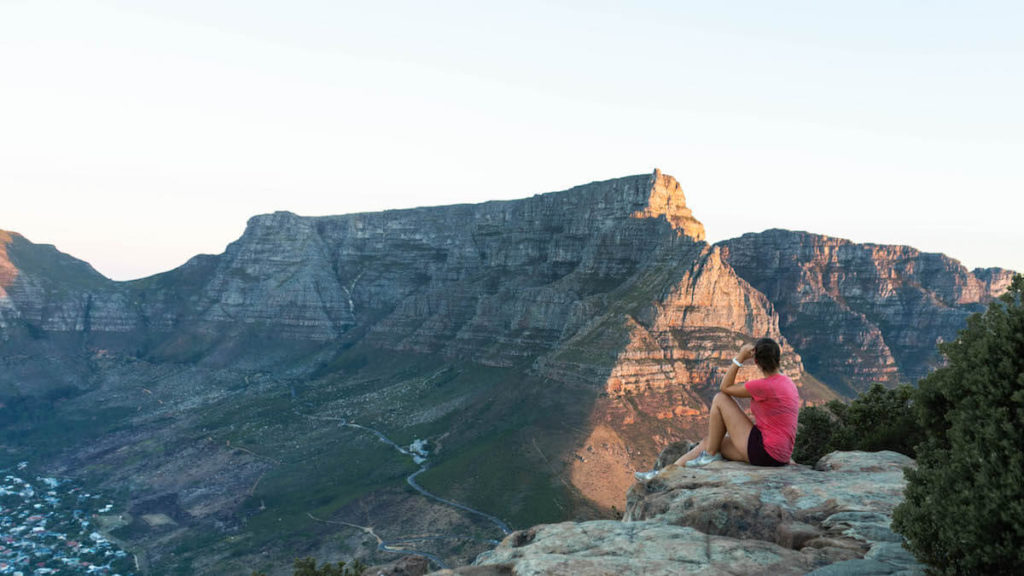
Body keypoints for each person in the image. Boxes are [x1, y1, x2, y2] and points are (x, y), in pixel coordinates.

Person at [672, 337, 800, 468]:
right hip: (780, 455)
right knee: (710, 442)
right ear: (779, 360)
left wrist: (740, 357)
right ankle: (671, 469)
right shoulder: (789, 383)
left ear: (756, 361)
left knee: (720, 398)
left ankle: (707, 456)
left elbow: (724, 388)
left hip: (765, 452)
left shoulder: (764, 386)